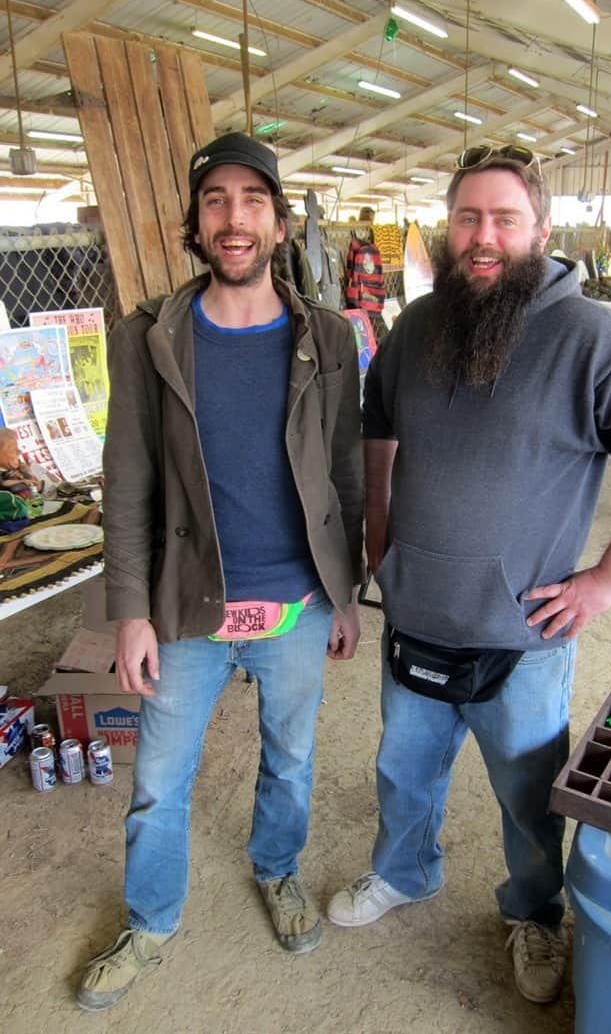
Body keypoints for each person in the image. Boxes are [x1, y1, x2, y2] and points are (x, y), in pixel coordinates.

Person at [327, 145, 611, 1005]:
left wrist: (606, 579)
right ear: (446, 227)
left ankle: (534, 913)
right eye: (467, 217)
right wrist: (379, 536)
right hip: (416, 617)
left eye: (503, 218)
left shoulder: (588, 336)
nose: (482, 236)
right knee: (402, 773)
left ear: (540, 230)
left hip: (522, 636)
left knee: (529, 795)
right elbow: (378, 419)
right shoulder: (418, 324)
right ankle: (404, 871)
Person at [77, 133, 363, 1011]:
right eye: (215, 201)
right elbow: (125, 477)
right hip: (188, 606)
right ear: (195, 224)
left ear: (279, 223)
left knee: (292, 757)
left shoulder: (330, 338)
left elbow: (346, 473)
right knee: (159, 778)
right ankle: (152, 918)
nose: (233, 218)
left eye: (251, 200)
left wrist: (346, 593)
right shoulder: (151, 336)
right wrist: (131, 610)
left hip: (300, 604)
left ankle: (277, 870)